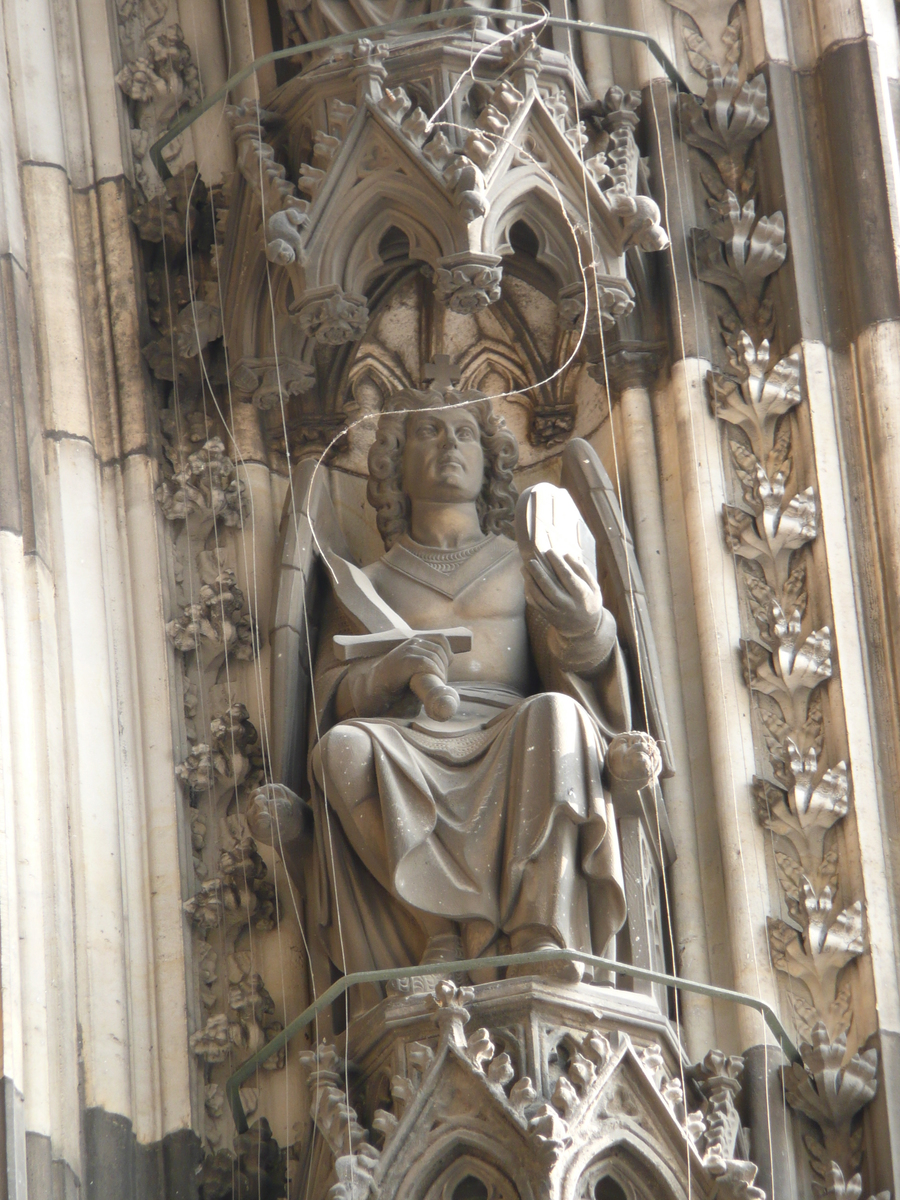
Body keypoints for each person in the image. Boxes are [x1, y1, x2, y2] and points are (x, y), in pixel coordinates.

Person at [252, 389, 633, 1002]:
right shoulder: (368, 583)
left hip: (511, 730)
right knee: (341, 752)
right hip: (411, 736)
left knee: (559, 717)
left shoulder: (521, 562)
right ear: (394, 466)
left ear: (491, 463)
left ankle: (541, 926)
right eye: (428, 433)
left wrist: (588, 624)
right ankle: (438, 929)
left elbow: (577, 672)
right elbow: (332, 695)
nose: (448, 446)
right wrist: (389, 671)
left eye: (464, 434)